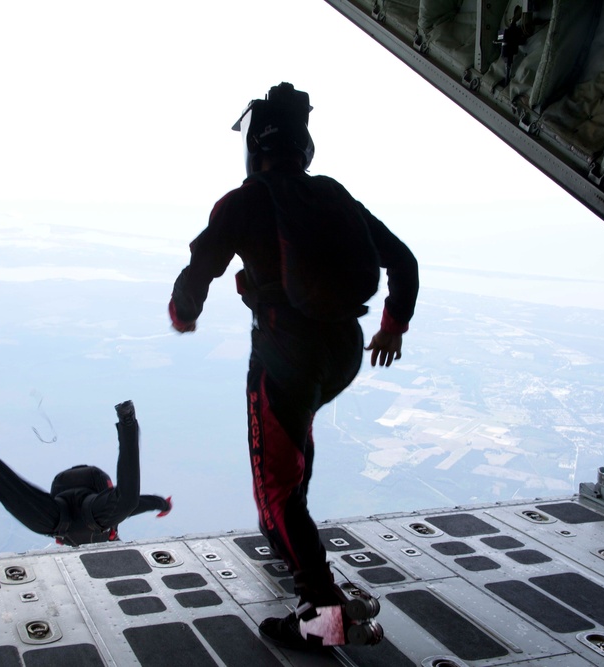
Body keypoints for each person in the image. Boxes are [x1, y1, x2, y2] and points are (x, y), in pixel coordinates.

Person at [168, 82, 418, 648]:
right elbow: (403, 260)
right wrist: (392, 325)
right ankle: (294, 545)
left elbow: (198, 270)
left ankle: (321, 614)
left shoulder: (244, 200)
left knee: (276, 487)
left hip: (287, 352)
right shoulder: (332, 195)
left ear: (255, 147)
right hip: (344, 351)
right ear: (304, 147)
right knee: (292, 451)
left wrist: (183, 315)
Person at [0, 400, 172, 546]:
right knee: (126, 503)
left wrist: (161, 504)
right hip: (84, 511)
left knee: (125, 503)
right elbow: (137, 503)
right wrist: (161, 504)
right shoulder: (108, 522)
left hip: (61, 513)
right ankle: (128, 423)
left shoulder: (88, 524)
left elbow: (23, 497)